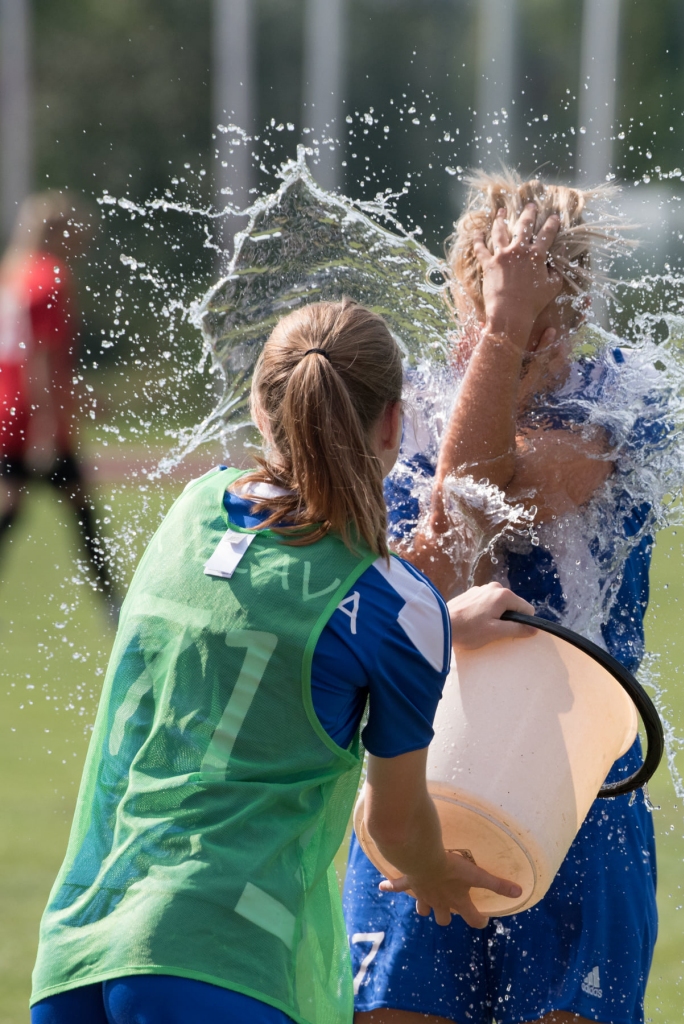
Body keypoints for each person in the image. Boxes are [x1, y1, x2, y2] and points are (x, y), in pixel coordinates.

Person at [30, 299, 536, 1024]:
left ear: (260, 410)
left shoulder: (192, 512)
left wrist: (441, 628)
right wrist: (432, 872)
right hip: (223, 962)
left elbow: (261, 617)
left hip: (79, 946)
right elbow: (395, 827)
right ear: (393, 424)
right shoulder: (399, 608)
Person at [344, 174, 662, 1024]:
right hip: (419, 752)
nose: (535, 319)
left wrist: (503, 340)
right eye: (509, 290)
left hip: (575, 774)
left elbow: (491, 492)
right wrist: (503, 338)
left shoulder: (624, 392)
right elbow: (447, 544)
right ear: (467, 288)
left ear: (582, 296)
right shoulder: (411, 404)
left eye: (548, 293)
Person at [0, 192, 118, 615]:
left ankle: (112, 601)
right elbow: (40, 357)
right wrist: (47, 425)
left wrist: (78, 394)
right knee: (80, 508)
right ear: (59, 231)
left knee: (13, 502)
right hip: (35, 416)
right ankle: (113, 605)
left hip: (7, 410)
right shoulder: (50, 277)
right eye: (79, 231)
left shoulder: (11, 274)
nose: (84, 240)